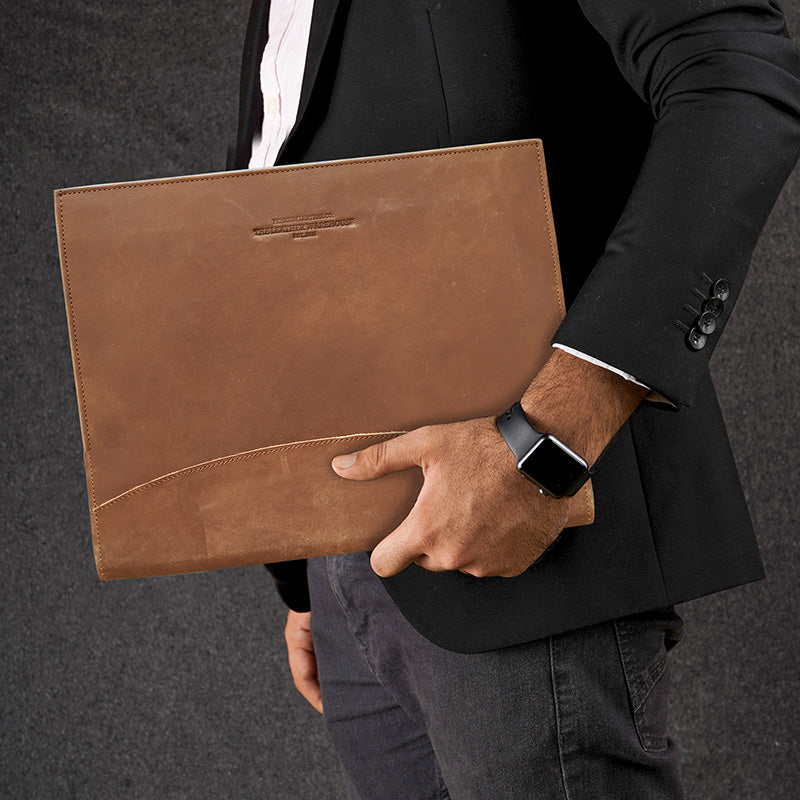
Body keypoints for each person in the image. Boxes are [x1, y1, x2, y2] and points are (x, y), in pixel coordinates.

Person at [227, 2, 800, 797]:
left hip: (519, 533)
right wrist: (301, 568)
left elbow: (734, 69)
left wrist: (547, 443)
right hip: (346, 571)